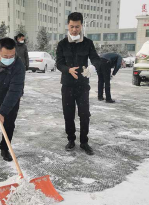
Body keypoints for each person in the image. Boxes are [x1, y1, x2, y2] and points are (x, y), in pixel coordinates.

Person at [56, 12, 100, 155]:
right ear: (68, 26)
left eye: (77, 26)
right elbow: (59, 63)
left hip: (82, 86)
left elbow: (96, 59)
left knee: (84, 114)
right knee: (68, 114)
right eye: (72, 26)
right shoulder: (62, 44)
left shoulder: (87, 43)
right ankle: (71, 139)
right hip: (67, 85)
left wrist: (92, 68)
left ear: (81, 26)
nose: (74, 29)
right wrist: (68, 70)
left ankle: (84, 142)